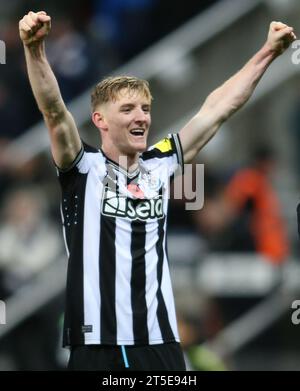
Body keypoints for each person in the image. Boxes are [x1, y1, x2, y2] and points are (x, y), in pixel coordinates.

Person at [19, 10, 295, 371]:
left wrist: (268, 52)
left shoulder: (160, 163)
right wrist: (34, 49)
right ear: (100, 120)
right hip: (100, 345)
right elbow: (54, 111)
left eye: (146, 109)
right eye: (128, 109)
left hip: (160, 343)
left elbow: (218, 108)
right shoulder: (82, 167)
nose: (142, 117)